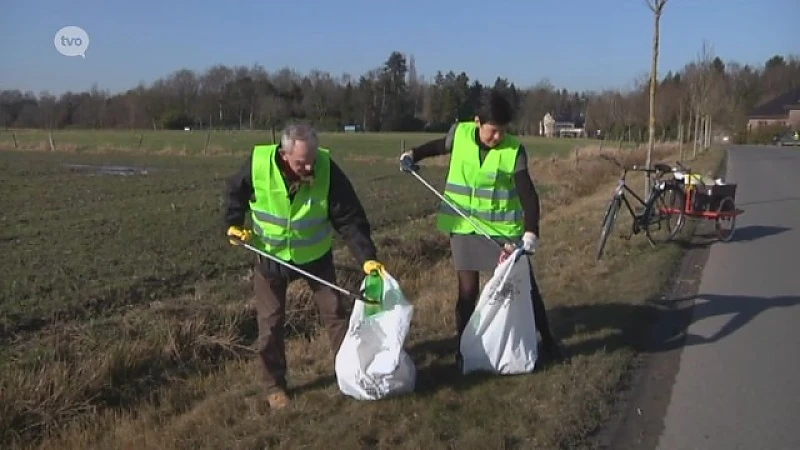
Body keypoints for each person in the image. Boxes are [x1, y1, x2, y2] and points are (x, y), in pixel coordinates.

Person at [399, 89, 568, 367]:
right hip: (463, 226)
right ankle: (464, 350)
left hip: (502, 231)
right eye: (492, 131)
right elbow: (438, 146)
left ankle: (548, 341)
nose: (498, 137)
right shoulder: (461, 134)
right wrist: (412, 155)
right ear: (478, 122)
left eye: (502, 131)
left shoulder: (514, 150)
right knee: (467, 293)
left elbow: (528, 195)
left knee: (525, 287)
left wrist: (531, 231)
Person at [223, 122, 385, 410]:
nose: (310, 168)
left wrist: (367, 257)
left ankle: (349, 372)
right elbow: (234, 193)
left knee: (335, 313)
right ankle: (274, 386)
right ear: (284, 155)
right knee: (270, 324)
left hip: (316, 257)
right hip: (270, 259)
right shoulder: (258, 164)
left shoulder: (326, 167)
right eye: (301, 163)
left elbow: (349, 217)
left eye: (312, 160)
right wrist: (233, 225)